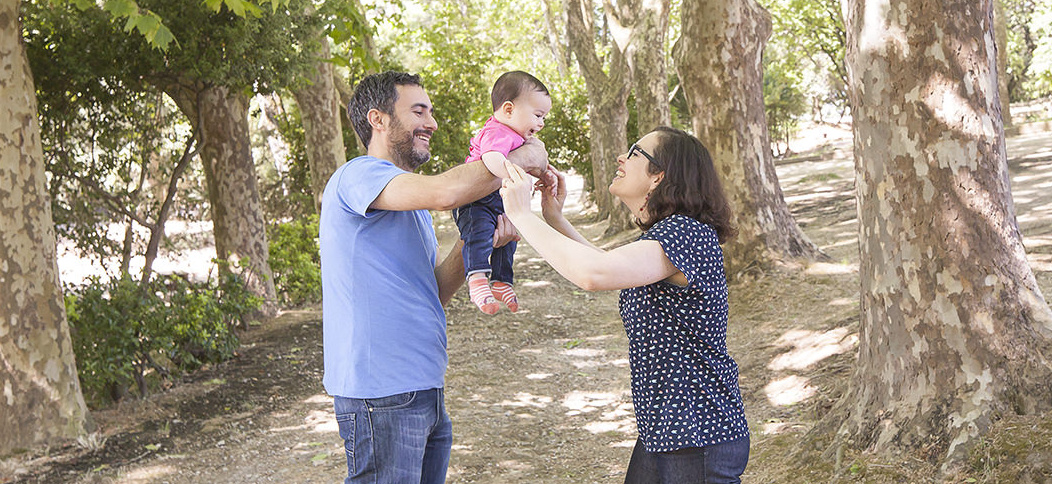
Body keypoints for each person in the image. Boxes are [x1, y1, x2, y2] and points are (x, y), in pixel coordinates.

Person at [319, 70, 550, 484]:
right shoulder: (358, 176)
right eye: (419, 111)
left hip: (422, 386)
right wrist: (524, 157)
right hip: (381, 395)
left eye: (431, 112)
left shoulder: (409, 204)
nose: (432, 123)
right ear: (379, 119)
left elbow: (433, 292)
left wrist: (479, 242)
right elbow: (448, 192)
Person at [499, 126, 750, 484]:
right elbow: (606, 264)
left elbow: (593, 274)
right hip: (666, 426)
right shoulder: (668, 235)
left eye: (634, 153)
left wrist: (522, 216)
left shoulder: (685, 233)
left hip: (698, 430)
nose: (621, 157)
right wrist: (553, 216)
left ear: (658, 176)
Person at [453, 69, 552, 314]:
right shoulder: (497, 131)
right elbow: (491, 159)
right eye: (538, 115)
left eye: (544, 117)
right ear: (508, 109)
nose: (541, 123)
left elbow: (532, 162)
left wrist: (544, 173)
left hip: (497, 198)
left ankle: (501, 281)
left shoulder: (516, 136)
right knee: (480, 234)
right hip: (476, 199)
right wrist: (512, 173)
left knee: (508, 240)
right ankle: (476, 278)